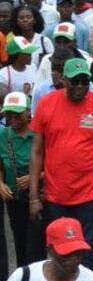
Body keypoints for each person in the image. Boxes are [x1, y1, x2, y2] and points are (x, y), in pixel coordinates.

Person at [29, 58, 93, 271]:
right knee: (58, 252)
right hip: (55, 196)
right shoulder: (47, 103)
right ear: (63, 79)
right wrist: (34, 197)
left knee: (86, 252)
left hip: (90, 194)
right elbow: (36, 152)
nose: (80, 86)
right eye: (75, 81)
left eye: (84, 81)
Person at [0, 91, 45, 269]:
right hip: (14, 197)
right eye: (8, 113)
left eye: (17, 113)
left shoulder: (39, 134)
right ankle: (22, 278)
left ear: (28, 112)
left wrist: (34, 177)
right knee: (19, 239)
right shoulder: (3, 135)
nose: (12, 117)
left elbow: (55, 166)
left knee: (37, 241)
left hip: (40, 194)